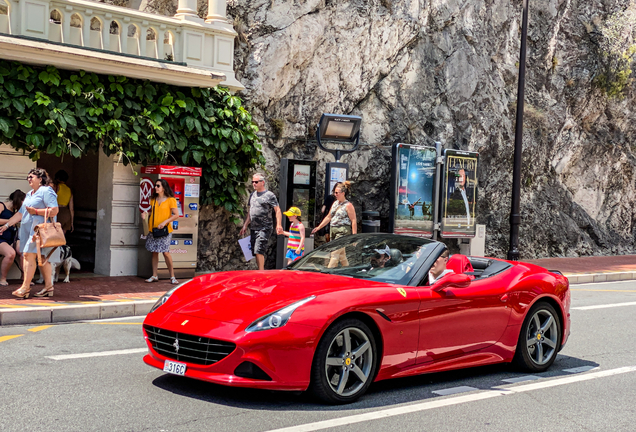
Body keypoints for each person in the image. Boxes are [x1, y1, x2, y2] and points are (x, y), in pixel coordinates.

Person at [0, 169, 59, 298]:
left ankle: (25, 288)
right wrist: (6, 225)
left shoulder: (46, 191)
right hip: (29, 231)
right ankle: (49, 287)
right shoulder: (30, 194)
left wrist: (36, 212)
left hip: (39, 231)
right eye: (28, 177)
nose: (29, 179)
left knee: (27, 254)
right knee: (42, 259)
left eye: (31, 177)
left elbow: (54, 210)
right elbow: (21, 213)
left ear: (40, 178)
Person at [239, 174, 283, 271]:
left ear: (262, 182)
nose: (254, 184)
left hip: (265, 227)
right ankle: (260, 270)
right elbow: (251, 212)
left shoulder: (269, 195)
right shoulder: (252, 195)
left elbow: (278, 210)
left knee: (259, 249)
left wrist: (279, 224)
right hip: (254, 227)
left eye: (256, 182)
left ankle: (261, 272)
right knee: (255, 251)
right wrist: (245, 225)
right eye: (253, 182)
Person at [141, 179, 179, 284]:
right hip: (153, 229)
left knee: (166, 252)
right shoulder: (153, 199)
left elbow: (176, 214)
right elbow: (151, 211)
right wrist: (145, 214)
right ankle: (154, 275)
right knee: (154, 252)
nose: (155, 187)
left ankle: (172, 276)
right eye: (155, 185)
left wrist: (165, 222)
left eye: (158, 186)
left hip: (165, 230)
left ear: (163, 187)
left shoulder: (171, 200)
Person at [311, 181, 357, 268]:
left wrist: (354, 236)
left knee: (334, 254)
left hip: (342, 231)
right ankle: (347, 272)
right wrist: (319, 227)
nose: (335, 194)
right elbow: (329, 217)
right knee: (342, 255)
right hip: (333, 230)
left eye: (337, 192)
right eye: (334, 192)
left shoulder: (348, 205)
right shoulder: (335, 203)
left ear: (343, 193)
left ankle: (328, 274)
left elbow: (353, 220)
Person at [0, 190, 26, 286]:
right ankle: (3, 278)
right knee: (10, 254)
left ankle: (25, 277)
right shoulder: (2, 206)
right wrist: (10, 221)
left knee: (24, 251)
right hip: (1, 238)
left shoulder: (17, 211)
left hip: (12, 237)